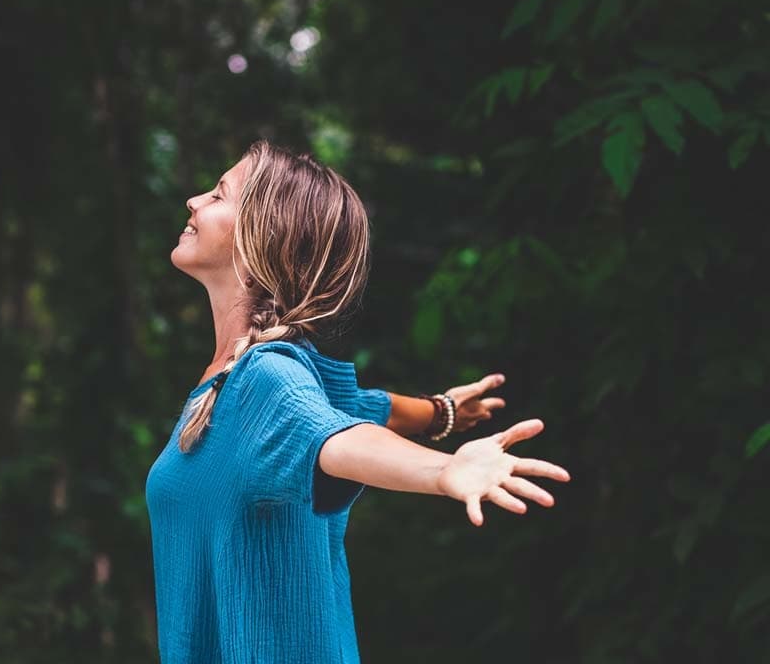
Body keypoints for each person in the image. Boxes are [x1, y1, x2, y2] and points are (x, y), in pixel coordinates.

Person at [145, 140, 571, 663]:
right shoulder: (240, 380)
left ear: (263, 237)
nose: (194, 200)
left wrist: (444, 472)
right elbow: (363, 409)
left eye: (219, 194)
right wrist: (443, 412)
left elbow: (340, 438)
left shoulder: (266, 379)